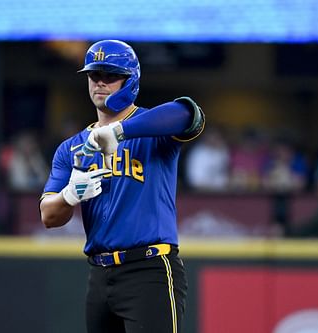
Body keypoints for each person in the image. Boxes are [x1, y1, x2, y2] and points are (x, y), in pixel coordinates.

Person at [39, 40, 205, 333]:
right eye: (94, 75)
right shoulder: (71, 147)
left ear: (130, 81)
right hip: (100, 274)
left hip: (149, 267)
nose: (100, 83)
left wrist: (119, 130)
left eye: (110, 75)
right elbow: (49, 216)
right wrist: (68, 196)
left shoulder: (151, 127)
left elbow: (189, 114)